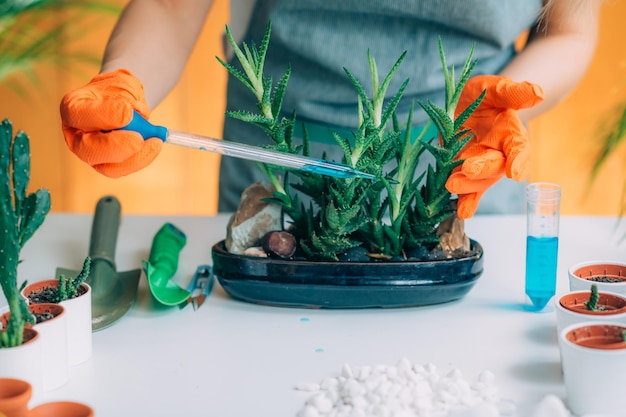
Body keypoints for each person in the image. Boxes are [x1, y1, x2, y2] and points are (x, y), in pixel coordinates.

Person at [59, 0, 602, 216]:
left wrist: (496, 104)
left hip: (461, 159)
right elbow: (170, 6)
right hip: (275, 153)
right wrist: (124, 81)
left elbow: (571, 30)